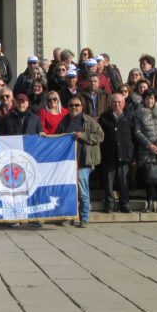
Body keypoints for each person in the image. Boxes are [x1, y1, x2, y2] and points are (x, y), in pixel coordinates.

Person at [58, 96, 103, 227]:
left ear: (82, 107)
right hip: (68, 163)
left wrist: (83, 136)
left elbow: (100, 135)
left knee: (83, 192)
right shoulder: (64, 122)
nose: (74, 108)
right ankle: (69, 216)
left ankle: (84, 217)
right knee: (69, 191)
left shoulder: (89, 120)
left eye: (77, 105)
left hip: (83, 161)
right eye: (71, 105)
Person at [98, 93, 136, 213]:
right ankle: (109, 205)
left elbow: (134, 137)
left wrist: (133, 155)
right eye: (114, 102)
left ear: (124, 104)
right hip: (109, 155)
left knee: (123, 181)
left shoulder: (130, 117)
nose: (117, 104)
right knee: (108, 182)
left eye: (119, 102)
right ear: (110, 103)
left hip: (124, 154)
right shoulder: (104, 117)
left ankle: (124, 204)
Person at [134, 90, 157, 213]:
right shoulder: (138, 113)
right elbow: (137, 132)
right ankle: (150, 202)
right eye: (147, 99)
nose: (150, 101)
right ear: (143, 100)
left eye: (152, 98)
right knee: (149, 178)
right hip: (147, 150)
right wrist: (149, 145)